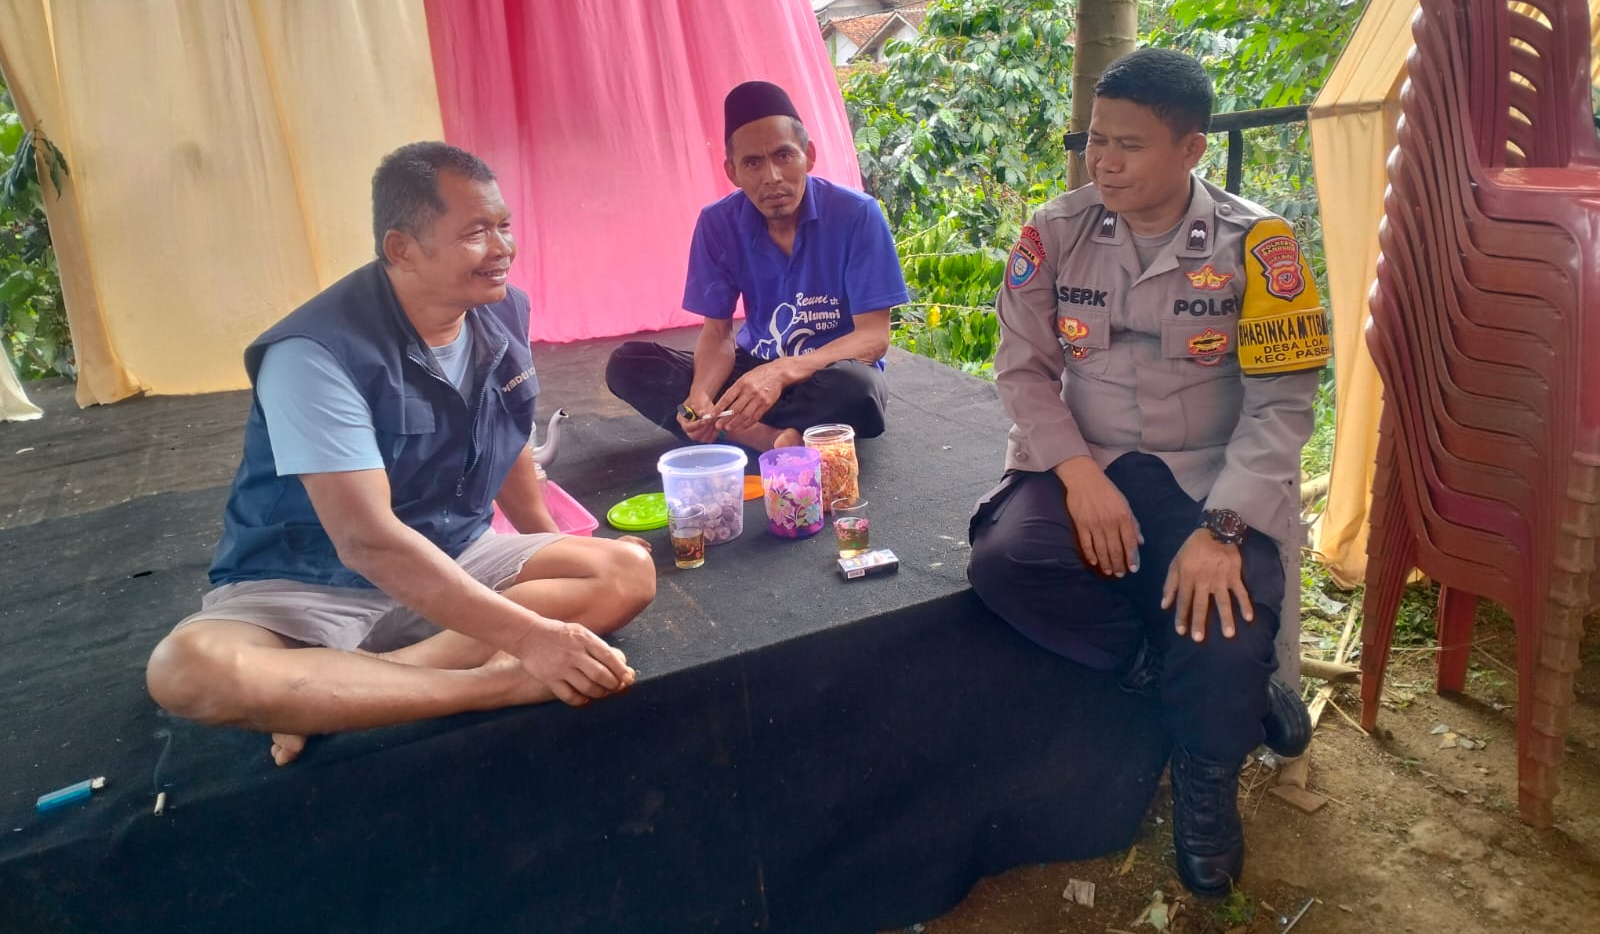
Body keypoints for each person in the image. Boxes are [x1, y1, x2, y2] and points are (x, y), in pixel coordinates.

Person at [146, 143, 656, 766]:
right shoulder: (313, 354)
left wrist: (547, 545)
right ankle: (487, 687)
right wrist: (532, 639)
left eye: (504, 225)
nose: (502, 247)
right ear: (402, 248)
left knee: (625, 570)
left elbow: (508, 439)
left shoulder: (501, 311)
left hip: (455, 553)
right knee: (187, 670)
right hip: (312, 581)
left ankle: (343, 690)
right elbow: (367, 542)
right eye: (475, 232)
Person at [967, 48, 1326, 896]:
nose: (1105, 162)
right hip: (1082, 456)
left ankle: (1206, 787)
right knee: (1008, 563)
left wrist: (1224, 529)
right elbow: (1022, 371)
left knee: (1228, 620)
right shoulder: (1056, 232)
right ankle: (1166, 669)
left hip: (1205, 476)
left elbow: (1283, 405)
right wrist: (1079, 476)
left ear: (1192, 149)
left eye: (1129, 145)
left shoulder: (1259, 246)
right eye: (1097, 140)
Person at [606, 81, 909, 451]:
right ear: (732, 172)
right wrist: (701, 395)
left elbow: (873, 339)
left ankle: (737, 430)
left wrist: (781, 371)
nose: (772, 176)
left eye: (784, 156)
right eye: (752, 162)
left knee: (858, 390)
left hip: (826, 374)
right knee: (629, 364)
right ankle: (771, 438)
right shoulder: (717, 223)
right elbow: (718, 334)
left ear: (808, 155)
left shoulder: (857, 215)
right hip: (752, 373)